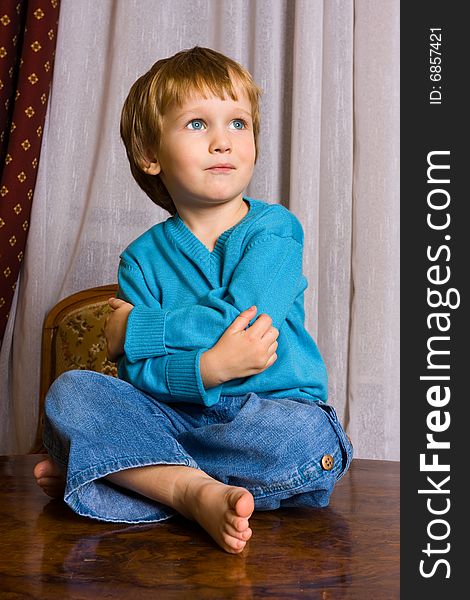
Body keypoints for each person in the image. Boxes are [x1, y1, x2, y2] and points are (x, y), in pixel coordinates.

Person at [34, 46, 353, 554]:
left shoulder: (275, 231)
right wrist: (207, 369)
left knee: (308, 436)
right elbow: (140, 377)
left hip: (266, 422)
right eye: (198, 124)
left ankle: (121, 472)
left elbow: (243, 321)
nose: (223, 141)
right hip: (179, 419)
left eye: (239, 124)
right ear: (151, 155)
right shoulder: (140, 259)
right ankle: (188, 490)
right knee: (71, 392)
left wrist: (137, 330)